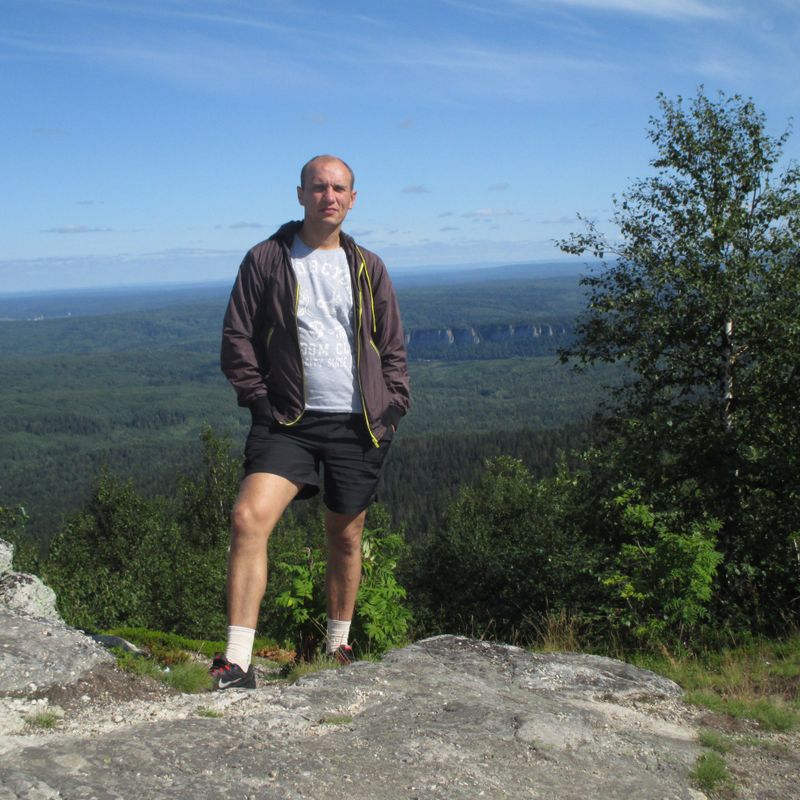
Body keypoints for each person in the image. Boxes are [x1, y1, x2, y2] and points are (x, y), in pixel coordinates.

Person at [211, 155, 410, 690]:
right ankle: (237, 660)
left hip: (358, 423)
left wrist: (391, 410)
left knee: (345, 538)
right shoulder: (266, 258)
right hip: (286, 420)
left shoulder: (368, 266)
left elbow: (390, 347)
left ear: (352, 197)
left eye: (339, 188)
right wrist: (257, 402)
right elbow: (237, 338)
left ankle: (337, 647)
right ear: (299, 194)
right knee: (249, 518)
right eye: (318, 187)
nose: (329, 196)